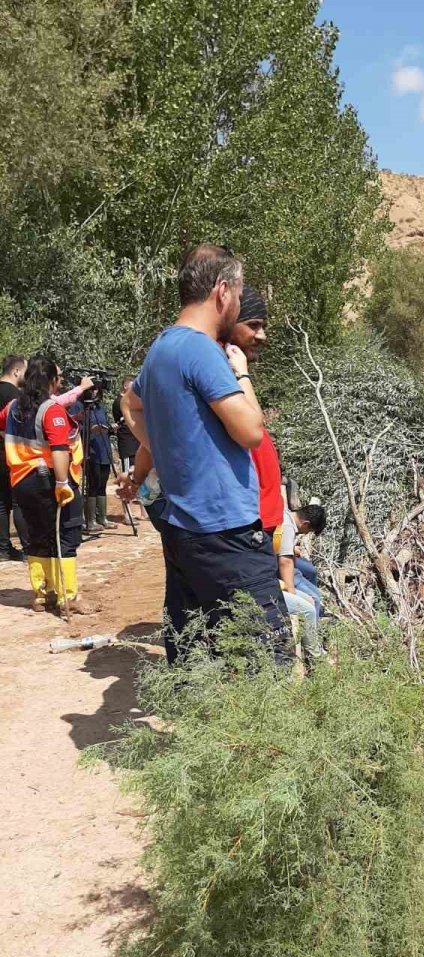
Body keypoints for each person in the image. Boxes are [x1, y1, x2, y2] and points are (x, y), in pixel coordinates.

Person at [118, 244, 293, 666]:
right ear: (222, 291)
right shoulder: (202, 350)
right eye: (238, 291)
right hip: (226, 533)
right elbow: (251, 431)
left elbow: (130, 403)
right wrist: (242, 373)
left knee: (198, 660)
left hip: (185, 531)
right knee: (267, 661)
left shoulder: (162, 347)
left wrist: (164, 444)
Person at [0, 356, 95, 612]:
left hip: (21, 481)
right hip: (49, 480)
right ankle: (68, 597)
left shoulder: (12, 408)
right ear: (51, 381)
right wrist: (63, 482)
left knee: (37, 536)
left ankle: (42, 594)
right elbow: (59, 449)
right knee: (66, 535)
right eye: (59, 378)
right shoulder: (51, 410)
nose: (60, 382)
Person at [229, 285, 283, 536]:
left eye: (263, 326)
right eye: (253, 325)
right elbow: (252, 430)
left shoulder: (233, 370)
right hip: (247, 525)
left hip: (260, 521)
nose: (262, 336)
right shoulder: (219, 368)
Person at [277, 499, 325, 667]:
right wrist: (291, 591)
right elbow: (285, 563)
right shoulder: (288, 527)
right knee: (312, 601)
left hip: (282, 570)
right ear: (305, 523)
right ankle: (314, 655)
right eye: (308, 530)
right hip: (278, 575)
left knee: (316, 596)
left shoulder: (284, 516)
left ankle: (314, 641)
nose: (305, 534)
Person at [0, 354, 26, 561]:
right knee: (18, 502)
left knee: (1, 503)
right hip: (11, 454)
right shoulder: (14, 394)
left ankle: (3, 548)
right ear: (16, 371)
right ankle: (29, 547)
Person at [81, 397, 114, 531]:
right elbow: (76, 426)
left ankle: (102, 517)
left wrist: (111, 428)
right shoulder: (80, 405)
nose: (95, 391)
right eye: (92, 388)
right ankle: (90, 520)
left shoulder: (99, 406)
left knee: (103, 483)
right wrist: (90, 430)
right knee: (93, 484)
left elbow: (105, 423)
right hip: (91, 451)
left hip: (104, 450)